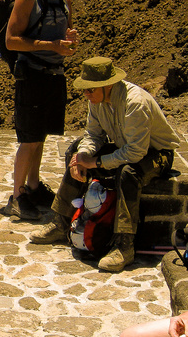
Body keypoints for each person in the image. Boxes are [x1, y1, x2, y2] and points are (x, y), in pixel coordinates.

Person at [34, 57, 180, 272]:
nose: (86, 94)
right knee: (76, 151)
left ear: (108, 85)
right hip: (127, 147)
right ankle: (61, 221)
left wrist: (97, 162)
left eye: (90, 89)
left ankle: (124, 245)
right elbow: (93, 135)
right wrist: (83, 156)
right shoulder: (96, 100)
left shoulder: (135, 103)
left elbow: (136, 152)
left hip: (157, 153)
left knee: (129, 173)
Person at [4, 0, 77, 222]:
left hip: (54, 76)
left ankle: (33, 187)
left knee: (41, 136)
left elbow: (64, 40)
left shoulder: (65, 0)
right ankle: (18, 195)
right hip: (32, 75)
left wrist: (68, 44)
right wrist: (52, 45)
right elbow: (12, 41)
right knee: (29, 138)